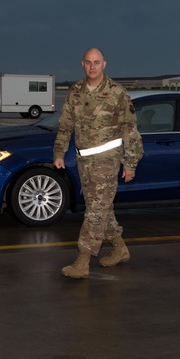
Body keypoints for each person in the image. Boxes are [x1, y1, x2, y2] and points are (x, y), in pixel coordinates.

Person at [53, 48, 143, 279]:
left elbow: (130, 130)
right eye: (88, 62)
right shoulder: (75, 91)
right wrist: (59, 152)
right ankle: (120, 249)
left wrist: (130, 162)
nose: (92, 66)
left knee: (94, 211)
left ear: (104, 64)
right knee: (102, 208)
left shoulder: (117, 93)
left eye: (96, 62)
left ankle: (82, 261)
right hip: (84, 159)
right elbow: (65, 124)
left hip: (106, 159)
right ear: (82, 64)